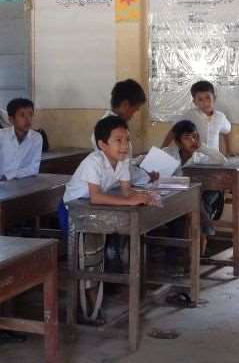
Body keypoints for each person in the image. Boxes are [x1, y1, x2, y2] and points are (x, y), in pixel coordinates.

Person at [61, 116, 156, 325]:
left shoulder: (122, 161)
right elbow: (96, 196)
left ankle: (91, 304)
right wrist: (130, 201)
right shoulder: (93, 162)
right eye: (118, 140)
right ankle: (86, 308)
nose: (125, 145)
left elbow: (126, 190)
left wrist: (145, 196)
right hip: (73, 210)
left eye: (127, 140)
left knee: (95, 255)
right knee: (83, 257)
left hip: (94, 210)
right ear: (102, 144)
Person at [162, 119, 225, 252]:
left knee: (193, 202)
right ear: (178, 142)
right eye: (187, 138)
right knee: (181, 211)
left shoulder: (200, 156)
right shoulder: (168, 153)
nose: (192, 140)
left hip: (195, 194)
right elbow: (144, 163)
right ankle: (205, 224)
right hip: (172, 195)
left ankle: (189, 249)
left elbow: (221, 160)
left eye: (194, 136)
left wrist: (201, 146)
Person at [91, 79, 157, 185]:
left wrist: (138, 163)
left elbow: (125, 163)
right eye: (135, 109)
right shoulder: (113, 129)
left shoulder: (109, 123)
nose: (134, 114)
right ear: (125, 105)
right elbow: (123, 168)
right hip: (113, 185)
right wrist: (147, 176)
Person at [162, 80, 233, 155]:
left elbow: (227, 131)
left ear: (214, 98)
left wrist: (229, 150)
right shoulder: (190, 115)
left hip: (214, 158)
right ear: (195, 102)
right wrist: (162, 148)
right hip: (194, 158)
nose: (205, 103)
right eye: (200, 99)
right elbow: (174, 131)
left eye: (208, 98)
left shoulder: (220, 117)